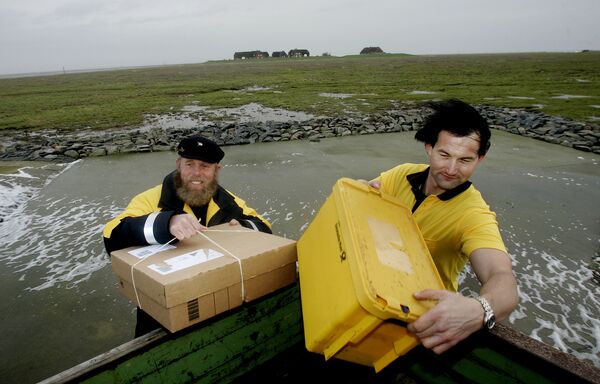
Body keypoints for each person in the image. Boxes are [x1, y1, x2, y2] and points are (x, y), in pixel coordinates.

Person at [362, 99, 518, 354]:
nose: (451, 169)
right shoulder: (401, 174)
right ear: (429, 148)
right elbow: (365, 193)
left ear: (480, 158)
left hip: (421, 322)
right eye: (444, 155)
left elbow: (501, 276)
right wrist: (360, 192)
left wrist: (481, 309)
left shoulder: (473, 214)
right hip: (373, 294)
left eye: (465, 160)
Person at [103, 134, 272, 336]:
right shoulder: (150, 199)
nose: (195, 173)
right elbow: (112, 235)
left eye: (205, 166)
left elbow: (265, 228)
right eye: (189, 164)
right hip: (162, 314)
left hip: (218, 298)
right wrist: (166, 222)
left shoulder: (230, 201)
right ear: (178, 164)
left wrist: (242, 226)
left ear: (217, 170)